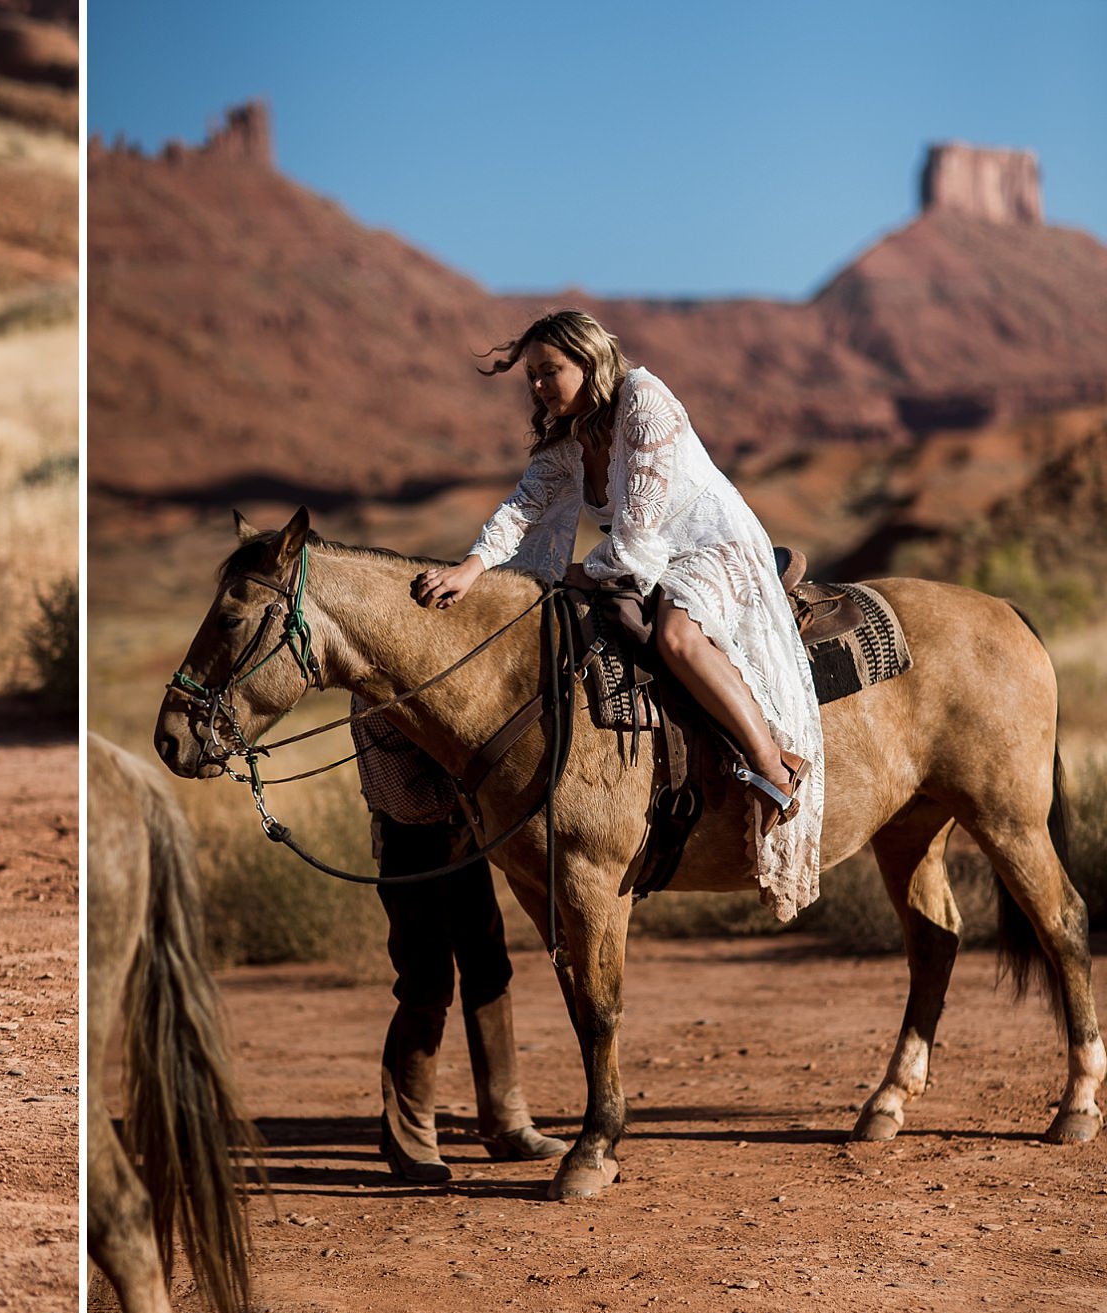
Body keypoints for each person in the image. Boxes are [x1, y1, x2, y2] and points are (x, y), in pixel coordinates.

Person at [412, 310, 824, 919]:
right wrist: (472, 569)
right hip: (645, 555)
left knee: (677, 635)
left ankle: (772, 767)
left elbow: (637, 537)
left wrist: (552, 573)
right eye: (530, 375)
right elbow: (525, 507)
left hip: (711, 547)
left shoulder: (645, 401)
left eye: (549, 371)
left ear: (590, 362)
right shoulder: (568, 434)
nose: (537, 387)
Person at [350, 702, 565, 1182]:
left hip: (466, 835)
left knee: (489, 971)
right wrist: (483, 782)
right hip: (409, 844)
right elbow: (407, 801)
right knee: (425, 983)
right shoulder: (372, 701)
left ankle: (506, 1121)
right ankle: (410, 1137)